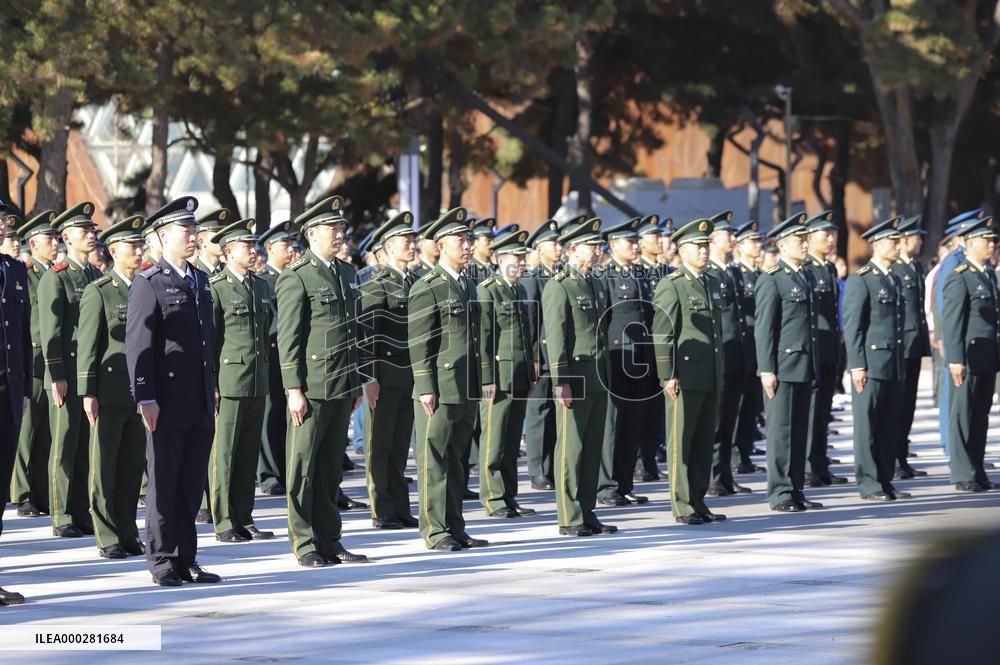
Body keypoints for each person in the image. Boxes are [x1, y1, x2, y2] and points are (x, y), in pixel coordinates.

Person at [127, 196, 220, 586]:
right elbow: (139, 343)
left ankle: (187, 558)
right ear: (164, 236)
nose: (194, 236)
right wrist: (145, 397)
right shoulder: (149, 283)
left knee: (191, 482)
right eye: (186, 230)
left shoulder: (199, 280)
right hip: (165, 401)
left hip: (198, 397)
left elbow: (205, 340)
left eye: (195, 230)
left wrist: (211, 388)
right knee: (164, 482)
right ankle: (163, 560)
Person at [276, 195, 366, 567]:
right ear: (312, 233)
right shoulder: (297, 276)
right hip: (311, 388)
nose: (340, 235)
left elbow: (355, 332)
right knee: (303, 468)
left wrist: (357, 382)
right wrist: (293, 389)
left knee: (330, 469)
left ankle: (330, 539)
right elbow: (289, 337)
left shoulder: (346, 273)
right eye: (332, 229)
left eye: (341, 228)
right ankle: (305, 542)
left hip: (342, 384)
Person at [407, 207, 489, 551]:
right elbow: (420, 340)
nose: (467, 245)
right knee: (435, 460)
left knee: (457, 460)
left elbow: (478, 338)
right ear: (441, 245)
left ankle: (456, 526)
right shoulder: (430, 286)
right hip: (438, 388)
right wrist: (425, 386)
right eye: (460, 239)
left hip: (465, 385)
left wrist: (484, 379)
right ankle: (436, 530)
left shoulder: (468, 284)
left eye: (469, 239)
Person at [76, 215, 148, 558]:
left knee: (132, 467)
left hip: (140, 393)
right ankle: (107, 536)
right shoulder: (99, 291)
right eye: (132, 246)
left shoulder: (146, 287)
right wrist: (88, 392)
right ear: (115, 251)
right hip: (109, 391)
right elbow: (88, 344)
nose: (139, 251)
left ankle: (128, 532)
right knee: (104, 467)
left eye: (140, 245)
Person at [543, 218, 616, 537]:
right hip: (575, 376)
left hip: (598, 375)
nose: (599, 250)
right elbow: (556, 336)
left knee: (592, 448)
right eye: (592, 246)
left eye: (599, 245)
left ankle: (588, 511)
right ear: (574, 250)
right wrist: (561, 381)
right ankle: (570, 515)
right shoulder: (560, 285)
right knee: (571, 448)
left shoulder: (595, 282)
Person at [652, 218, 726, 525]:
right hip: (684, 376)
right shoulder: (672, 285)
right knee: (681, 441)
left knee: (703, 441)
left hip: (709, 374)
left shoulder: (710, 282)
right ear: (682, 250)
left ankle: (698, 499)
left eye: (706, 245)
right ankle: (682, 504)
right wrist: (667, 373)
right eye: (697, 246)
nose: (704, 251)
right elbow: (662, 332)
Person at [208, 218, 275, 542]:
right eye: (246, 246)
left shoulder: (260, 286)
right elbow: (211, 339)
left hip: (256, 378)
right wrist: (213, 384)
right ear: (228, 252)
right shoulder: (217, 287)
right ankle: (223, 521)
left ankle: (244, 516)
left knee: (248, 453)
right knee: (225, 454)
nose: (253, 250)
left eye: (253, 245)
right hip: (230, 380)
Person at [39, 202, 101, 537]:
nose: (91, 236)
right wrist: (57, 376)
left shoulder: (94, 275)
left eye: (92, 231)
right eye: (84, 231)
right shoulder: (57, 277)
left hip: (89, 373)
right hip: (67, 371)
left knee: (84, 446)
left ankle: (80, 511)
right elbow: (52, 331)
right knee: (64, 443)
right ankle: (61, 514)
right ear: (67, 237)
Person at [755, 213, 824, 513]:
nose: (806, 244)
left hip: (803, 364)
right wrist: (766, 369)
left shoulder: (805, 275)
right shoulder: (772, 278)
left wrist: (814, 366)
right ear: (783, 245)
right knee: (781, 432)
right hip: (781, 367)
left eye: (807, 239)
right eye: (800, 240)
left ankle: (796, 488)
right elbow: (765, 328)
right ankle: (780, 491)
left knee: (799, 432)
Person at [357, 211, 420, 530]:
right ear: (388, 247)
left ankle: (400, 506)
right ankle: (381, 508)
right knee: (379, 445)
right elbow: (367, 335)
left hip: (409, 376)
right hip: (384, 376)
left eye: (413, 240)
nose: (412, 245)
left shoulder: (416, 281)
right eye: (405, 241)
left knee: (399, 446)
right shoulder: (378, 284)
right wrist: (369, 378)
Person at [843, 216, 910, 501]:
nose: (899, 246)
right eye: (893, 242)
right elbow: (853, 326)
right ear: (877, 245)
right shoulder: (862, 280)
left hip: (892, 363)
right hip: (870, 365)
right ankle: (869, 483)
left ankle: (885, 480)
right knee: (867, 427)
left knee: (889, 426)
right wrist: (857, 364)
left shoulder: (893, 279)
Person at [476, 230, 537, 518]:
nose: (522, 262)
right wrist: (487, 379)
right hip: (499, 375)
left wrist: (531, 369)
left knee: (512, 440)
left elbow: (525, 335)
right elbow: (485, 338)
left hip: (519, 373)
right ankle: (493, 496)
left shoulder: (520, 290)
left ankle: (509, 495)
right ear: (500, 259)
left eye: (524, 257)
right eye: (516, 257)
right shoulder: (488, 289)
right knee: (495, 439)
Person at [941, 214, 1000, 493]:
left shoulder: (987, 275)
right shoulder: (960, 277)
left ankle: (977, 469)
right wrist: (955, 359)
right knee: (963, 415)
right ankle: (963, 472)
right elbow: (952, 322)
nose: (992, 245)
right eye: (986, 240)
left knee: (980, 415)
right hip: (968, 355)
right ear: (969, 243)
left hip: (988, 355)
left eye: (993, 240)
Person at [596, 216, 653, 507]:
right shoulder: (606, 276)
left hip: (639, 360)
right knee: (612, 426)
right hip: (617, 360)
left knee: (633, 425)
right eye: (629, 242)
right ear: (614, 245)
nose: (635, 246)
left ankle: (625, 483)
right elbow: (602, 322)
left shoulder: (640, 275)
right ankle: (606, 486)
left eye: (636, 241)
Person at [11, 210, 59, 518]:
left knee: (45, 434)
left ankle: (41, 492)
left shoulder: (54, 273)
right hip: (33, 356)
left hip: (50, 361)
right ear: (33, 243)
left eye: (56, 238)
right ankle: (23, 494)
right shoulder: (25, 273)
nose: (54, 244)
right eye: (49, 239)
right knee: (27, 433)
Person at [704, 211, 753, 498]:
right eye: (729, 235)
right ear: (713, 240)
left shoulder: (734, 272)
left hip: (738, 356)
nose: (733, 239)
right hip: (719, 358)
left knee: (730, 421)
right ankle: (712, 476)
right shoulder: (708, 273)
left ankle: (725, 475)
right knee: (716, 422)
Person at [521, 218, 570, 491]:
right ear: (539, 249)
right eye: (553, 243)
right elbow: (530, 321)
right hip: (542, 355)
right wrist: (533, 357)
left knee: (557, 413)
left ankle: (552, 466)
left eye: (560, 243)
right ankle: (538, 469)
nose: (558, 248)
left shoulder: (563, 276)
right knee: (540, 412)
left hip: (560, 356)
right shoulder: (533, 280)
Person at [933, 209, 985, 456]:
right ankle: (952, 445)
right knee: (953, 397)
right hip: (956, 338)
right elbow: (946, 306)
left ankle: (963, 449)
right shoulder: (954, 263)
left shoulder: (968, 263)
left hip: (965, 338)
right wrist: (943, 336)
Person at [802, 211, 848, 487]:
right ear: (810, 238)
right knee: (810, 413)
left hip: (830, 348)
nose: (830, 240)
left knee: (822, 413)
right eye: (825, 235)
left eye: (833, 235)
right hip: (815, 350)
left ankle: (820, 465)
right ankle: (808, 468)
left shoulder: (829, 268)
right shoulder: (806, 269)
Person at [0, 200, 31, 605]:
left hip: (7, 394)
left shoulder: (12, 270)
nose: (3, 224)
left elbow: (20, 334)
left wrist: (24, 387)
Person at [256, 221, 297, 496]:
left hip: (289, 358)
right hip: (271, 356)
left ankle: (284, 469)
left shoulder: (291, 277)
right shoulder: (264, 281)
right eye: (286, 246)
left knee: (286, 416)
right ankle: (269, 474)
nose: (292, 250)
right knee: (270, 417)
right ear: (271, 248)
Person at [891, 215, 931, 479]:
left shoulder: (915, 267)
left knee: (909, 405)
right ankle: (893, 459)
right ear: (905, 240)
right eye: (917, 237)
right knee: (897, 404)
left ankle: (902, 457)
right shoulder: (895, 269)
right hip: (901, 346)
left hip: (914, 345)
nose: (920, 241)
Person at [731, 221, 766, 474]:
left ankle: (744, 452)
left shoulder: (758, 274)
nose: (759, 246)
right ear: (741, 247)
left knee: (751, 406)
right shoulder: (736, 274)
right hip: (742, 347)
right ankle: (734, 455)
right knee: (737, 406)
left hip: (757, 348)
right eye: (753, 241)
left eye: (759, 241)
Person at [635, 214, 667, 482]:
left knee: (655, 412)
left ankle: (649, 460)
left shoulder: (666, 271)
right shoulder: (636, 273)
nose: (660, 241)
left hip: (662, 350)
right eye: (654, 237)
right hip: (642, 350)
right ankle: (639, 462)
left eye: (660, 236)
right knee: (639, 411)